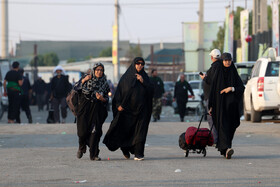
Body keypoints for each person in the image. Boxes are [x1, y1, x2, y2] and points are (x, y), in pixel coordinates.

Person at [103, 57, 154, 161]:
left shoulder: (145, 77)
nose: (140, 65)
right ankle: (124, 148)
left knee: (141, 132)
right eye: (138, 63)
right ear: (133, 64)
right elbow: (119, 93)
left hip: (142, 110)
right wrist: (118, 105)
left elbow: (151, 91)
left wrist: (143, 81)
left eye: (142, 64)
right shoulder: (126, 78)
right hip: (128, 111)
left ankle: (139, 153)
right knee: (126, 131)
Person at [208, 52, 244, 159]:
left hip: (232, 107)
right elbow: (213, 90)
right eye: (225, 60)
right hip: (220, 106)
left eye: (229, 60)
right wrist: (211, 105)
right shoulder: (218, 73)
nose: (228, 62)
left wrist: (231, 88)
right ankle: (227, 148)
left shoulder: (233, 72)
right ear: (222, 61)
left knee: (231, 127)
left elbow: (241, 88)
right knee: (223, 126)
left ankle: (226, 150)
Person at [74, 63, 110, 161]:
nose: (99, 72)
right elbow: (76, 87)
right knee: (82, 132)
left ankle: (94, 155)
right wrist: (84, 80)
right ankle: (82, 147)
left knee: (95, 132)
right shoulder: (86, 79)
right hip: (85, 109)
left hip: (97, 110)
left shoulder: (104, 83)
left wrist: (102, 99)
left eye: (101, 70)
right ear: (94, 71)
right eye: (97, 70)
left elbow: (107, 97)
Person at [199, 49, 222, 144]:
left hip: (211, 96)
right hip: (214, 96)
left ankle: (216, 138)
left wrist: (204, 78)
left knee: (210, 117)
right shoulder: (219, 67)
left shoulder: (215, 67)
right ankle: (217, 137)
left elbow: (212, 81)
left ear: (212, 57)